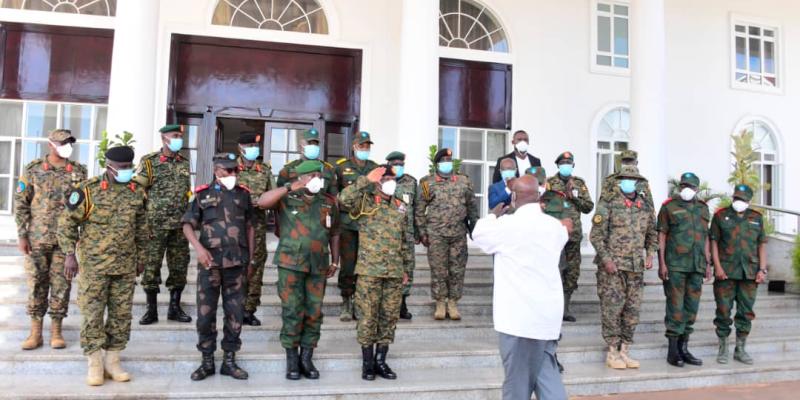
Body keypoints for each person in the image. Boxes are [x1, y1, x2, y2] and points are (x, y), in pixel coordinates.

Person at [472, 175, 570, 400]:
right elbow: (565, 232)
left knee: (517, 386)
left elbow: (478, 233)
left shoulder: (507, 226)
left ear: (514, 197)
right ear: (539, 197)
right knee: (547, 377)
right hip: (547, 319)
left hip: (519, 321)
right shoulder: (554, 227)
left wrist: (493, 214)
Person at [56, 146, 148, 386]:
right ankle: (95, 363)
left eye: (130, 167)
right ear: (109, 166)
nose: (127, 171)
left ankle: (113, 361)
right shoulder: (89, 190)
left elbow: (141, 228)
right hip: (94, 267)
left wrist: (141, 259)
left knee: (121, 315)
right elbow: (66, 223)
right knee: (92, 314)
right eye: (122, 168)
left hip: (125, 266)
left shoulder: (136, 191)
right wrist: (69, 254)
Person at [257, 160, 340, 380]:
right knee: (293, 310)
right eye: (312, 175)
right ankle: (292, 359)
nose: (317, 179)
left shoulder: (328, 202)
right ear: (301, 178)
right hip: (290, 263)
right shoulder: (287, 198)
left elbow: (335, 233)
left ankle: (307, 357)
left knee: (314, 313)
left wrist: (335, 261)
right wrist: (287, 187)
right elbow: (262, 202)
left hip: (318, 264)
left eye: (319, 175)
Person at [182, 153, 254, 381]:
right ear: (217, 171)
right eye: (228, 171)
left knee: (235, 315)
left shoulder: (243, 195)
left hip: (236, 264)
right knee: (205, 315)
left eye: (235, 171)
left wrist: (251, 259)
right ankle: (207, 362)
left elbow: (250, 227)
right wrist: (199, 249)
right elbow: (187, 226)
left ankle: (230, 361)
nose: (233, 174)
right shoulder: (202, 195)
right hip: (210, 264)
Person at [14, 128, 87, 350]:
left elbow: (84, 206)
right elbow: (21, 202)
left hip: (65, 241)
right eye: (63, 143)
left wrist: (80, 240)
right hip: (37, 239)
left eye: (70, 143)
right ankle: (35, 333)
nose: (68, 147)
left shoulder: (78, 172)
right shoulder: (33, 169)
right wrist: (22, 234)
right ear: (51, 145)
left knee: (61, 285)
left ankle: (56, 331)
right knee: (36, 284)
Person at [339, 165, 411, 381]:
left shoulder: (400, 205)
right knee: (368, 316)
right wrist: (366, 180)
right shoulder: (365, 201)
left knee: (388, 318)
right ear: (377, 180)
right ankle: (367, 363)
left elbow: (405, 240)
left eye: (393, 178)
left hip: (394, 272)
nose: (390, 181)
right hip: (369, 271)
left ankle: (381, 361)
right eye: (385, 178)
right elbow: (343, 200)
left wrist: (406, 268)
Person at [590, 165, 657, 370]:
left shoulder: (645, 205)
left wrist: (651, 253)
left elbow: (652, 232)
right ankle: (612, 352)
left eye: (632, 178)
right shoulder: (608, 203)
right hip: (613, 268)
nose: (628, 181)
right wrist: (607, 260)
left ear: (638, 182)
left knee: (632, 311)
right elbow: (596, 236)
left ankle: (624, 351)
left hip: (636, 268)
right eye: (624, 178)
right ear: (619, 181)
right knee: (612, 309)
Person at [137, 124, 193, 325]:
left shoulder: (184, 163)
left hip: (179, 226)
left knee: (179, 267)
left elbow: (187, 192)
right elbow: (138, 191)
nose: (179, 139)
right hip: (155, 226)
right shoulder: (150, 162)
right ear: (164, 138)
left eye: (180, 135)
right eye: (175, 135)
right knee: (151, 268)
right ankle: (151, 310)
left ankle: (174, 308)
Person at [416, 148, 479, 320]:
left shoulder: (463, 181)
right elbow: (420, 209)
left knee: (457, 269)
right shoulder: (427, 183)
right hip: (436, 233)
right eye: (443, 160)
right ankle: (440, 302)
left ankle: (453, 302)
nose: (447, 163)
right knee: (438, 269)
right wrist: (422, 232)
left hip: (458, 233)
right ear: (437, 164)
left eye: (449, 160)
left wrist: (475, 229)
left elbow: (472, 207)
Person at [657, 172, 711, 367]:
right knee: (675, 307)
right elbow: (662, 236)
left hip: (696, 265)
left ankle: (684, 348)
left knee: (691, 308)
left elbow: (705, 237)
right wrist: (662, 263)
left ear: (697, 189)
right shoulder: (669, 207)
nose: (686, 189)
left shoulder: (703, 209)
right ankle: (673, 351)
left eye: (690, 186)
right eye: (684, 185)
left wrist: (708, 263)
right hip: (675, 265)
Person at [710, 184, 767, 365]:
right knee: (723, 312)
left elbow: (762, 245)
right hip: (725, 273)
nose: (738, 202)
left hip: (749, 273)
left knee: (746, 313)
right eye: (736, 198)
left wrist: (762, 269)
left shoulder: (756, 218)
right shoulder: (720, 216)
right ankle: (723, 348)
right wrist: (717, 267)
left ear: (748, 201)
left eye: (742, 199)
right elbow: (713, 242)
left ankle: (740, 349)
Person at [334, 131, 378, 321]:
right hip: (347, 223)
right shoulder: (342, 167)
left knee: (366, 266)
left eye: (368, 146)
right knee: (348, 265)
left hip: (368, 224)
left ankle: (361, 303)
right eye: (362, 146)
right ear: (354, 146)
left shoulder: (375, 168)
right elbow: (335, 195)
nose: (365, 149)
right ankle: (346, 301)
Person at [546, 151, 594, 322]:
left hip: (573, 235)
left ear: (572, 166)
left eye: (569, 163)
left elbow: (588, 206)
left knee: (572, 272)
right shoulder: (550, 183)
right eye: (563, 163)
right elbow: (543, 205)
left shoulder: (579, 184)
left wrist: (573, 198)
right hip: (555, 234)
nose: (566, 165)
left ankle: (565, 308)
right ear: (558, 165)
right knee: (555, 270)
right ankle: (554, 307)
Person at [236, 132, 274, 326]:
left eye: (254, 145)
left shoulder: (265, 170)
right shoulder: (231, 169)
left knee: (256, 269)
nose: (253, 149)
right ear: (240, 148)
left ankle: (249, 310)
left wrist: (265, 202)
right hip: (235, 228)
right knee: (236, 269)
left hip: (258, 227)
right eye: (249, 145)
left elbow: (273, 195)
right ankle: (234, 308)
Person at [386, 151, 418, 320]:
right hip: (388, 234)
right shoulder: (382, 181)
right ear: (389, 164)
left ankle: (402, 304)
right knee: (390, 267)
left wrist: (419, 231)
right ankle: (389, 303)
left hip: (407, 234)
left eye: (401, 164)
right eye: (395, 164)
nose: (399, 167)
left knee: (408, 268)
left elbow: (417, 208)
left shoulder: (411, 182)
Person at [277, 128, 338, 196]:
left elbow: (334, 196)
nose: (313, 146)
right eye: (309, 144)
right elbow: (279, 194)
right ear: (300, 146)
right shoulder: (288, 169)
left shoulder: (327, 169)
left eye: (315, 144)